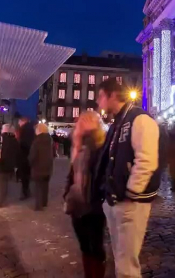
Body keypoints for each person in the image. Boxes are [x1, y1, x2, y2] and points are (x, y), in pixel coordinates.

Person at [95, 78, 162, 278]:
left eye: (100, 97)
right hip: (115, 199)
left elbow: (147, 160)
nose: (98, 102)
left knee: (127, 264)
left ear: (113, 96)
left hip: (130, 202)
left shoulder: (139, 119)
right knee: (121, 258)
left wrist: (132, 192)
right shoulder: (118, 122)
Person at [64, 111, 107, 278]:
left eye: (84, 121)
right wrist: (67, 193)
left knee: (95, 245)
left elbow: (101, 173)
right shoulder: (77, 145)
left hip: (93, 204)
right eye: (80, 121)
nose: (79, 123)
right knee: (84, 245)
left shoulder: (99, 145)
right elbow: (72, 172)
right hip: (77, 203)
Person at [0, 124, 19, 207]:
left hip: (0, 164)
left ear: (5, 130)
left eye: (2, 128)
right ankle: (3, 199)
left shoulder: (1, 138)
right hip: (10, 165)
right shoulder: (14, 140)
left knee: (0, 184)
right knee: (4, 183)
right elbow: (17, 153)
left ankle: (0, 201)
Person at [29, 123, 54, 210]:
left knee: (38, 186)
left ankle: (38, 205)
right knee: (45, 186)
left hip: (38, 166)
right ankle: (44, 202)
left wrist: (30, 162)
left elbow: (33, 155)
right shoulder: (50, 140)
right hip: (48, 166)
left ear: (39, 130)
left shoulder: (37, 141)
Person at [17, 117, 36, 199]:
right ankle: (26, 191)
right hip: (29, 154)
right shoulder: (32, 129)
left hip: (24, 154)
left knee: (24, 175)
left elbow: (23, 142)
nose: (18, 124)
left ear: (23, 122)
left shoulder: (24, 129)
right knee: (27, 174)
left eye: (19, 122)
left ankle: (25, 193)